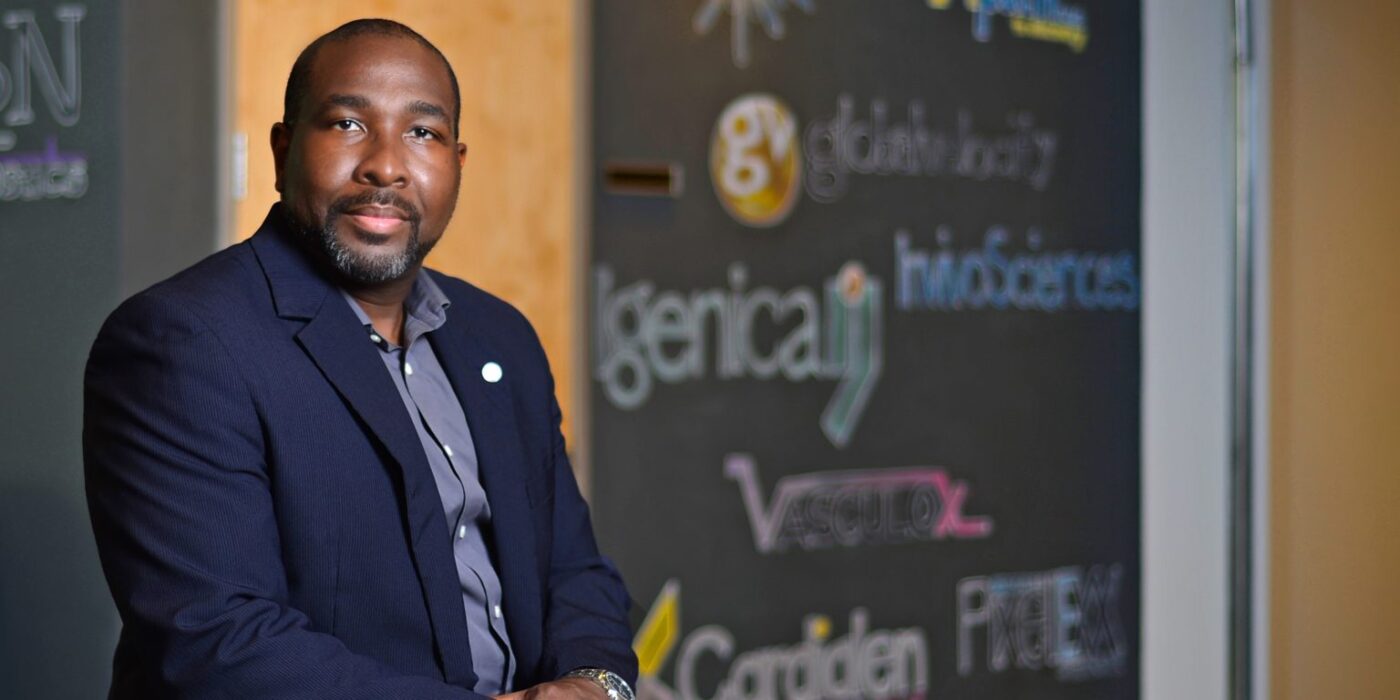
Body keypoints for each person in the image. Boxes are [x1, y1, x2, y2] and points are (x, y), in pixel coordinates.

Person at [83, 19, 636, 700]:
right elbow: (220, 642)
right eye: (347, 124)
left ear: (458, 163)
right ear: (283, 148)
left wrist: (594, 682)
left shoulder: (499, 337)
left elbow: (572, 570)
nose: (385, 164)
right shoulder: (183, 343)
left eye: (423, 133)